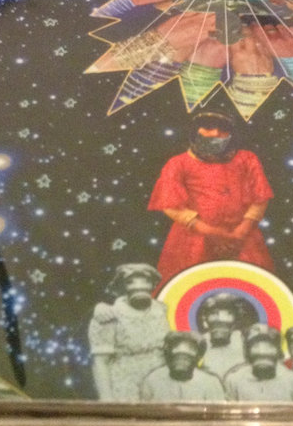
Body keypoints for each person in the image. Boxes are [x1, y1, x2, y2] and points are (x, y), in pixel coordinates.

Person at [147, 111, 273, 282]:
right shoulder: (178, 163)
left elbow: (261, 197)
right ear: (195, 131)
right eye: (208, 127)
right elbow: (170, 205)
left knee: (248, 286)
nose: (215, 133)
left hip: (242, 237)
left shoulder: (247, 159)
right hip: (193, 240)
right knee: (190, 288)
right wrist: (210, 232)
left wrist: (241, 231)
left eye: (223, 129)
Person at [88, 263, 168, 402]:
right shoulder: (108, 315)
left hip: (158, 384)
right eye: (130, 282)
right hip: (125, 385)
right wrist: (107, 399)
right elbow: (100, 362)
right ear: (122, 286)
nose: (139, 286)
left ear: (152, 284)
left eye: (146, 281)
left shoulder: (161, 310)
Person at [224, 324, 293, 402]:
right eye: (256, 346)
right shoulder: (234, 380)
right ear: (247, 352)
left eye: (269, 347)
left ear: (278, 351)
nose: (262, 352)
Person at [139, 332, 227, 402]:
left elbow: (217, 415)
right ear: (168, 353)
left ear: (198, 356)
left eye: (190, 349)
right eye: (176, 348)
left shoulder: (210, 383)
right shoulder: (152, 380)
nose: (182, 354)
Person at [196, 292, 254, 381]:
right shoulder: (199, 341)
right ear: (205, 318)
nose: (220, 319)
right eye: (213, 313)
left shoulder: (245, 340)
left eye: (228, 314)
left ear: (236, 318)